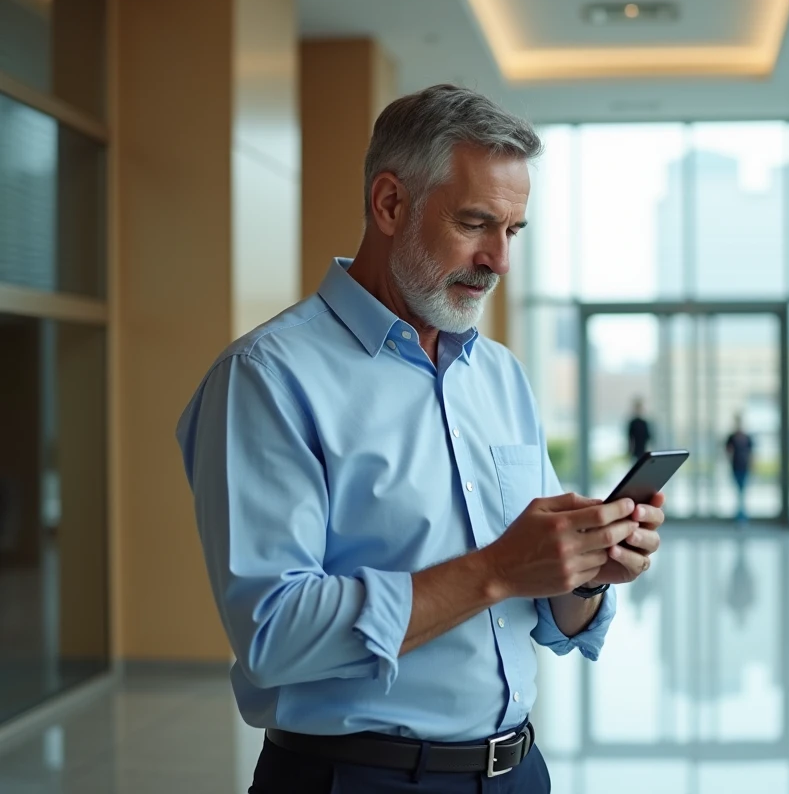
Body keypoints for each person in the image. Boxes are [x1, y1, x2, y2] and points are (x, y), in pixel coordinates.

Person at [176, 84, 666, 793]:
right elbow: (273, 634)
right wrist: (498, 567)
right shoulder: (268, 378)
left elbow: (548, 617)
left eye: (512, 231)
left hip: (517, 772)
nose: (498, 259)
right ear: (389, 205)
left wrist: (586, 569)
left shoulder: (501, 376)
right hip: (355, 779)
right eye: (475, 224)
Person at [725, 415, 754, 522]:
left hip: (744, 468)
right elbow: (728, 451)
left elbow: (751, 454)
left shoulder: (747, 438)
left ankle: (741, 517)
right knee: (739, 492)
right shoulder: (732, 438)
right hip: (735, 467)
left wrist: (752, 466)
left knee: (742, 492)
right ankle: (740, 516)